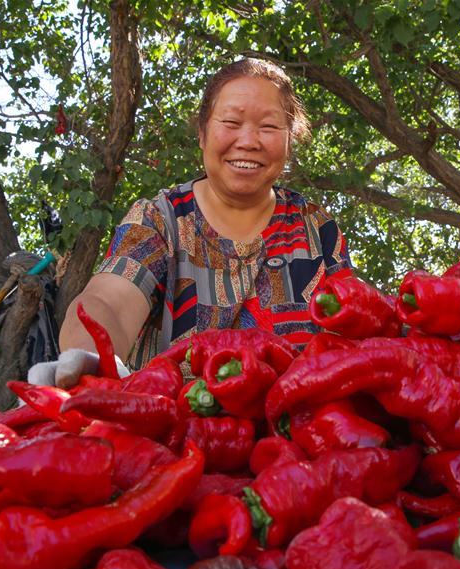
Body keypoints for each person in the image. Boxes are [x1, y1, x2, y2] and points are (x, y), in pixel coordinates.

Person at [29, 58, 352, 388]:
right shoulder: (160, 220)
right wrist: (90, 355)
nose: (248, 141)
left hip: (300, 417)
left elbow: (354, 331)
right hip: (170, 418)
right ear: (202, 133)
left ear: (289, 140)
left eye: (269, 127)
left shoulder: (317, 230)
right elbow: (109, 300)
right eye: (231, 122)